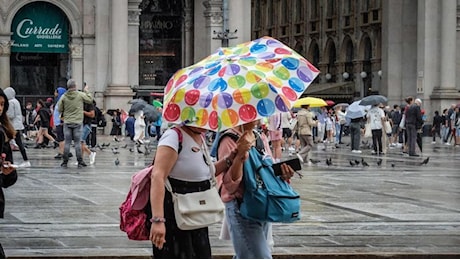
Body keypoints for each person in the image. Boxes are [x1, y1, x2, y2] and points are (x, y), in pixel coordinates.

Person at [148, 123, 249, 258]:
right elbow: (157, 177)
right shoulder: (173, 136)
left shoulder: (199, 137)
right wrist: (158, 220)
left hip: (196, 215)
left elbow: (206, 173)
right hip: (175, 215)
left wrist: (232, 157)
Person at [216, 120, 295, 258]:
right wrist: (239, 155)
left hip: (262, 203)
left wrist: (283, 174)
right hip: (241, 206)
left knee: (248, 255)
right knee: (259, 256)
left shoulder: (259, 137)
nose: (259, 117)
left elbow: (267, 170)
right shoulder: (229, 139)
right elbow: (230, 185)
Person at [57, 79, 93, 168]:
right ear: (75, 86)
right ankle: (80, 160)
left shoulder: (64, 96)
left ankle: (65, 161)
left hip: (67, 121)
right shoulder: (80, 95)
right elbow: (90, 100)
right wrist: (87, 91)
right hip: (77, 121)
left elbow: (59, 108)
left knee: (67, 142)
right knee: (77, 142)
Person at [0, 88, 18, 259]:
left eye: (2, 104)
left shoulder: (4, 133)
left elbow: (9, 179)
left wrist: (7, 172)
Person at [4, 87, 30, 167]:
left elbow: (11, 115)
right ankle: (25, 160)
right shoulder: (16, 101)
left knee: (7, 143)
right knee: (18, 143)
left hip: (12, 126)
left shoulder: (11, 102)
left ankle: (9, 160)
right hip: (18, 125)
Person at [52, 87, 68, 159]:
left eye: (56, 92)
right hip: (58, 122)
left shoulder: (62, 101)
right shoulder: (59, 100)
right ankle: (65, 151)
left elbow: (62, 111)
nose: (55, 93)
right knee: (60, 137)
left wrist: (62, 120)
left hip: (60, 122)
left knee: (61, 138)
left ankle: (61, 152)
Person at [80, 100, 96, 165]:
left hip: (86, 125)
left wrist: (83, 112)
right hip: (80, 124)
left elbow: (92, 114)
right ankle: (81, 158)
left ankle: (90, 153)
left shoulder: (89, 104)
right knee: (81, 142)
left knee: (80, 141)